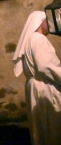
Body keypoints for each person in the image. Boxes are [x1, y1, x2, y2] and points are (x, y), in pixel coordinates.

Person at [12, 11, 61, 145]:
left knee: (40, 128)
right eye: (47, 20)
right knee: (51, 127)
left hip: (35, 86)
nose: (50, 23)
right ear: (39, 22)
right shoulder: (38, 39)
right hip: (45, 88)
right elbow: (46, 66)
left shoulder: (31, 39)